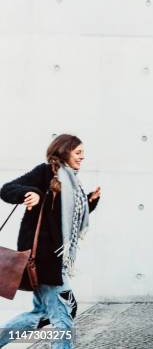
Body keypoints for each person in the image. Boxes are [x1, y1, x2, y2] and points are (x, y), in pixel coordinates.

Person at [0, 134, 101, 349]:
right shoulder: (44, 173)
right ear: (64, 151)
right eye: (78, 152)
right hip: (44, 260)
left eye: (83, 153)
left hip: (56, 260)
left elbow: (63, 219)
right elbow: (7, 189)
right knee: (63, 318)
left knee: (41, 314)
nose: (83, 157)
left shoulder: (73, 180)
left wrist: (89, 202)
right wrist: (31, 192)